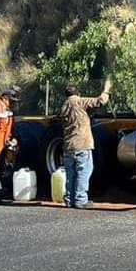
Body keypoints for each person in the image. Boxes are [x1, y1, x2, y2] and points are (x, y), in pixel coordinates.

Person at [60, 78, 111, 208]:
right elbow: (100, 101)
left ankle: (69, 199)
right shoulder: (79, 102)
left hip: (68, 146)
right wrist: (106, 90)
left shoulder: (64, 106)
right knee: (84, 172)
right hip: (82, 145)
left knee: (70, 174)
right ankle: (80, 200)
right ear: (78, 94)